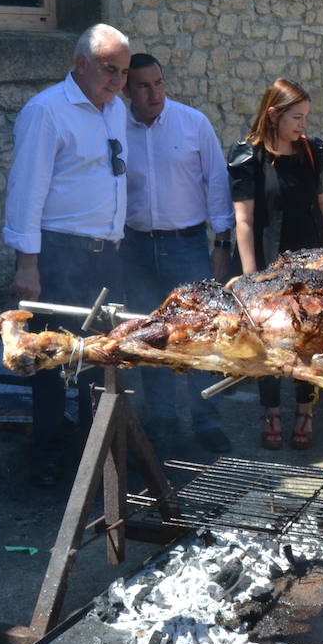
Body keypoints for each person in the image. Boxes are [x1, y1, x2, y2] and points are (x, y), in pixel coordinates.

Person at [2, 23, 131, 485]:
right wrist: (27, 266)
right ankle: (50, 460)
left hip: (105, 255)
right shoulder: (47, 112)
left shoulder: (114, 110)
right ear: (80, 64)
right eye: (108, 70)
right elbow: (26, 193)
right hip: (58, 253)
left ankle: (93, 451)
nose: (117, 82)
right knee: (53, 359)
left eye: (122, 72)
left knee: (99, 355)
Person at [120, 52, 235, 456]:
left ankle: (207, 422)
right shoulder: (115, 127)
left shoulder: (193, 123)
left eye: (159, 83)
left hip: (186, 245)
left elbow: (217, 183)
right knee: (151, 337)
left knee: (198, 336)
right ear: (126, 89)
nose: (154, 94)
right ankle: (163, 424)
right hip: (134, 247)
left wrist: (223, 243)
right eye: (143, 86)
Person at [228, 79, 323, 450]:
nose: (303, 124)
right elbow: (243, 220)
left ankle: (305, 410)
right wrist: (250, 277)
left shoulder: (311, 150)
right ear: (274, 114)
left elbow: (320, 203)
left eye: (305, 116)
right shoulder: (247, 156)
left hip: (309, 257)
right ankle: (270, 410)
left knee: (308, 336)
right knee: (267, 340)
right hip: (268, 259)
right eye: (296, 117)